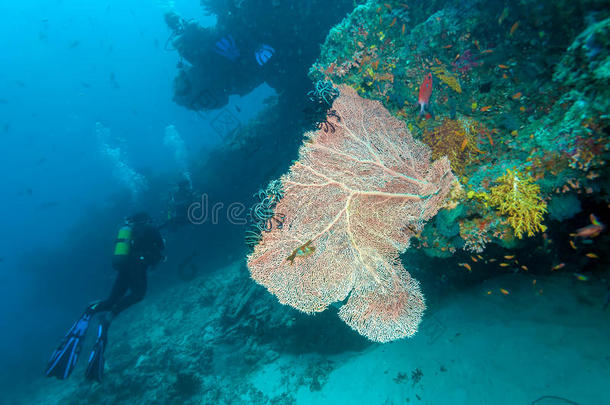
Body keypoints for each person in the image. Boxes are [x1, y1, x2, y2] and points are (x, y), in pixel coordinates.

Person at [45, 212, 165, 382]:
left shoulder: (128, 231)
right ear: (146, 219)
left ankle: (92, 309)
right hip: (137, 266)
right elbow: (160, 247)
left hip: (124, 267)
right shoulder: (150, 228)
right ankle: (108, 318)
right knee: (138, 294)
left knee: (111, 300)